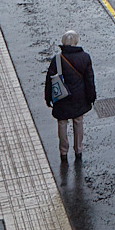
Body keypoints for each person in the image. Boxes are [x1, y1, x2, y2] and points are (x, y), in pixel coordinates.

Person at [45, 30, 96, 160]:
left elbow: (50, 81)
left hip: (62, 98)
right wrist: (91, 97)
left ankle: (63, 152)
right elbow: (89, 80)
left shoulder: (57, 59)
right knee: (78, 121)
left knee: (62, 123)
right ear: (76, 42)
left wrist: (48, 98)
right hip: (79, 97)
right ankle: (78, 150)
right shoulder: (85, 57)